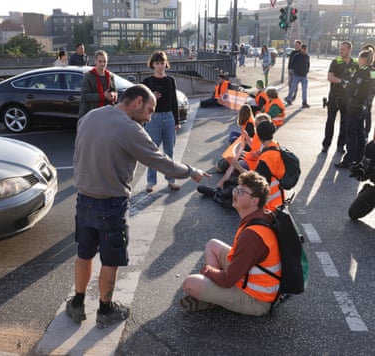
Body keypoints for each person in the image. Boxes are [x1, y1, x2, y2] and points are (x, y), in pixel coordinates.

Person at [68, 84, 210, 328]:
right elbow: (161, 161)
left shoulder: (90, 117)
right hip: (111, 205)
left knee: (84, 253)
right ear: (135, 102)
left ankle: (78, 304)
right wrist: (191, 171)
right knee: (110, 260)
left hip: (84, 200)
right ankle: (105, 309)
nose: (150, 116)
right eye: (149, 110)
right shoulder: (130, 129)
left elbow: (78, 154)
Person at [181, 170, 281, 316]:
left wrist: (207, 270)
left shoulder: (252, 236)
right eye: (237, 188)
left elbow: (228, 280)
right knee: (212, 245)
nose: (234, 193)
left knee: (189, 283)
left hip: (257, 300)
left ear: (255, 200)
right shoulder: (261, 216)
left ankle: (213, 297)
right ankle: (214, 294)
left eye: (241, 192)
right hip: (253, 279)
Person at [142, 51, 181, 192]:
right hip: (154, 117)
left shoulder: (170, 80)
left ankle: (171, 180)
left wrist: (177, 121)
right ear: (152, 64)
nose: (160, 66)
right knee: (153, 151)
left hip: (169, 116)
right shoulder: (147, 81)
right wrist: (151, 97)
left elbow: (174, 102)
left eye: (162, 63)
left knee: (169, 151)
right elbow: (141, 103)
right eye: (157, 63)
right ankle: (151, 182)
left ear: (166, 63)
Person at [335, 49, 375, 168]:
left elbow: (354, 88)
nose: (358, 61)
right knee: (360, 132)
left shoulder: (362, 72)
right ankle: (359, 158)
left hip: (355, 105)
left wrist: (346, 85)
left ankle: (349, 159)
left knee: (351, 133)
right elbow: (372, 88)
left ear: (364, 59)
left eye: (359, 59)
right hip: (365, 105)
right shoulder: (374, 71)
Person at [321, 41, 358, 153]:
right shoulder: (336, 62)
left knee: (345, 123)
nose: (341, 51)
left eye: (343, 49)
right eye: (340, 49)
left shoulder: (355, 63)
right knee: (330, 122)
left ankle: (341, 145)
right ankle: (326, 145)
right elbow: (330, 77)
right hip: (335, 96)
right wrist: (341, 82)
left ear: (349, 50)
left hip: (348, 98)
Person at [78, 50, 117, 118]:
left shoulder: (110, 76)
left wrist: (113, 95)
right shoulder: (88, 76)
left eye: (104, 61)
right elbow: (85, 96)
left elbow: (114, 91)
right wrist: (103, 96)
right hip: (92, 115)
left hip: (107, 114)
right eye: (100, 61)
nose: (102, 64)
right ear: (95, 61)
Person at [362, 44, 375, 139]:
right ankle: (362, 131)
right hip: (361, 90)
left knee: (367, 111)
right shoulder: (363, 62)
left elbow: (374, 78)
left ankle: (366, 132)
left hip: (370, 91)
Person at [285, 44, 310, 108]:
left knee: (304, 90)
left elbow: (308, 65)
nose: (304, 50)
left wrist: (307, 71)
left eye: (305, 49)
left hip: (304, 76)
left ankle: (304, 102)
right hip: (296, 75)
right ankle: (289, 99)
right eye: (303, 49)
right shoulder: (297, 56)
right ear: (301, 49)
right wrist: (293, 71)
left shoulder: (307, 56)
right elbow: (292, 64)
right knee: (292, 88)